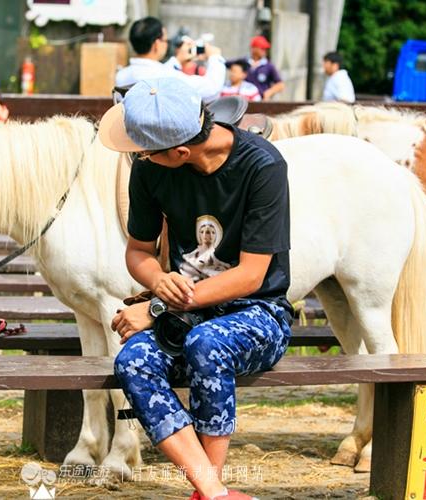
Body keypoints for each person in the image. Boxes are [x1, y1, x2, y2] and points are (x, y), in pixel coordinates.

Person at [100, 78, 292, 500]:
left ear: (180, 153)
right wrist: (156, 281)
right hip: (186, 311)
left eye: (145, 150)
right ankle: (212, 491)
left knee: (208, 343)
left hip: (258, 313)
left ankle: (209, 492)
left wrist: (154, 310)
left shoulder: (263, 167)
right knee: (132, 360)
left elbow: (251, 276)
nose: (139, 156)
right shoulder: (150, 171)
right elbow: (138, 251)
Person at [114, 17, 226, 103]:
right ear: (157, 44)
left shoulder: (121, 75)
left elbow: (154, 73)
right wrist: (215, 56)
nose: (167, 44)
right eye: (166, 40)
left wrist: (177, 60)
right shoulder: (165, 76)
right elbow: (212, 90)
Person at [245, 36, 284, 101]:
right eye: (262, 48)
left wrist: (269, 92)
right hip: (246, 100)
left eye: (265, 49)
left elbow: (280, 85)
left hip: (261, 100)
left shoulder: (268, 66)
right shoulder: (244, 62)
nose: (264, 51)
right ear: (254, 49)